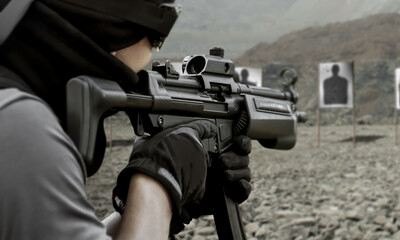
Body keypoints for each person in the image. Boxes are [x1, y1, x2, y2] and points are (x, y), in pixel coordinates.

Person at [0, 0, 252, 239]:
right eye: (156, 37)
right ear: (112, 31)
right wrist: (159, 181)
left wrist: (150, 204)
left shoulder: (13, 105)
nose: (154, 52)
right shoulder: (22, 125)